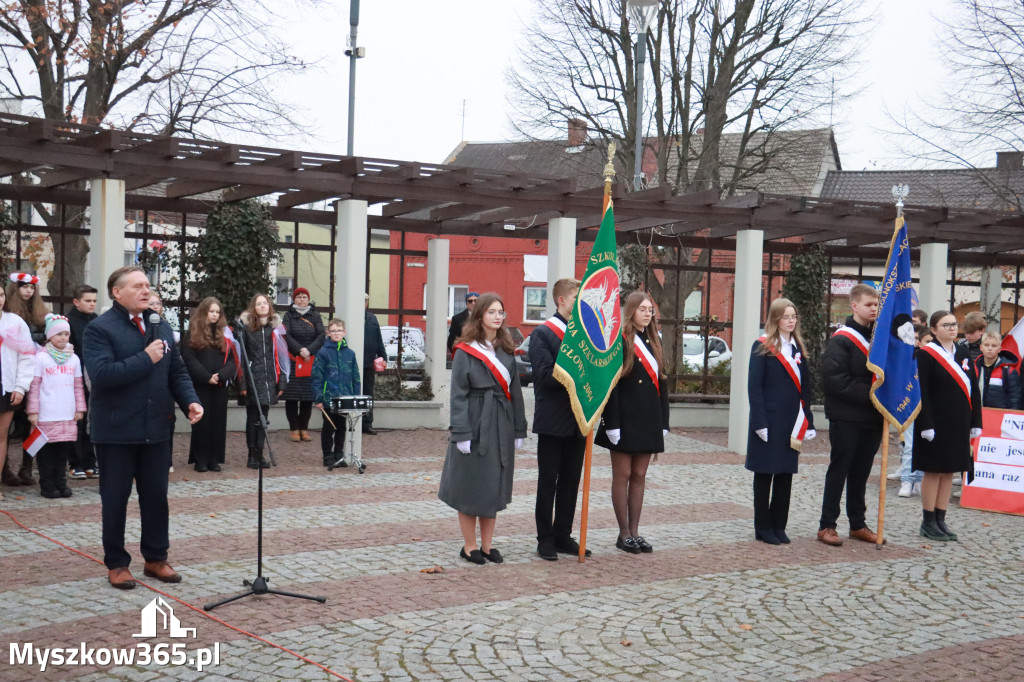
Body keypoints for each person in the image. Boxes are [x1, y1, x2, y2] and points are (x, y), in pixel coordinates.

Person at [83, 266, 202, 589]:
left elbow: (176, 370)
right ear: (117, 293)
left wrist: (189, 400)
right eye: (138, 286)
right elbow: (103, 376)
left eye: (148, 285)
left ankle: (156, 558)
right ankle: (117, 564)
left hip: (156, 428)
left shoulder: (159, 323)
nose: (146, 291)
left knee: (156, 497)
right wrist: (145, 358)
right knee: (115, 499)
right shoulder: (99, 329)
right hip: (116, 430)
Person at [439, 293, 526, 565]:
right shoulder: (465, 350)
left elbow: (515, 392)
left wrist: (518, 429)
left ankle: (487, 546)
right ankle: (469, 546)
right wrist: (462, 433)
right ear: (479, 316)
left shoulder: (506, 350)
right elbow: (458, 395)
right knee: (470, 486)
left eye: (501, 312)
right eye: (492, 312)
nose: (498, 317)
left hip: (500, 420)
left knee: (492, 486)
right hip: (475, 421)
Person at [594, 291, 670, 555]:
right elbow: (612, 384)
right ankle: (623, 532)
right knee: (623, 475)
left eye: (650, 310)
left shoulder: (654, 341)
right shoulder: (620, 341)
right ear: (631, 311)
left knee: (639, 476)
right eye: (643, 309)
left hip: (648, 417)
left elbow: (662, 381)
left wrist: (664, 420)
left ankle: (635, 531)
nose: (648, 314)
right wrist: (611, 422)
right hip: (624, 417)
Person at [817, 283, 884, 547]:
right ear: (854, 306)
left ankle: (857, 524)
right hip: (846, 417)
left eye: (876, 305)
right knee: (840, 470)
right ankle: (827, 525)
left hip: (871, 418)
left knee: (861, 473)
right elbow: (835, 381)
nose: (873, 309)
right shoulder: (842, 340)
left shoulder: (876, 339)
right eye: (869, 305)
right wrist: (873, 392)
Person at [529, 278, 591, 561]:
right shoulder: (543, 333)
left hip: (579, 418)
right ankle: (545, 538)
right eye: (577, 297)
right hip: (553, 418)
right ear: (561, 300)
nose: (581, 302)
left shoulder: (586, 334)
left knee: (571, 480)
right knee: (548, 481)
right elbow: (543, 375)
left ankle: (563, 533)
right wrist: (577, 367)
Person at [746, 298, 816, 545]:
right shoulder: (763, 346)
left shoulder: (798, 348)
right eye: (786, 317)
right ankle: (762, 528)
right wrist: (759, 423)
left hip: (792, 421)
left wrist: (809, 421)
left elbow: (805, 389)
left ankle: (779, 525)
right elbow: (755, 388)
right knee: (765, 474)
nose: (790, 321)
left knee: (786, 474)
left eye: (793, 316)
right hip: (768, 421)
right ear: (775, 319)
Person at [914, 310, 982, 541]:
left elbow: (974, 389)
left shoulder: (963, 352)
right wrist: (925, 424)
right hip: (934, 423)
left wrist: (976, 421)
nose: (952, 328)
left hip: (958, 422)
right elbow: (920, 391)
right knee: (933, 471)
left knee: (949, 470)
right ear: (933, 330)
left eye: (954, 324)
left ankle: (941, 519)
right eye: (946, 325)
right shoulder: (925, 355)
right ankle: (928, 520)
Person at [26, 314, 86, 498]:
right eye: (59, 334)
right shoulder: (40, 358)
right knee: (46, 453)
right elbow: (34, 386)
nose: (63, 338)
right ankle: (47, 484)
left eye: (66, 334)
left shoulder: (73, 358)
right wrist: (33, 411)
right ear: (49, 336)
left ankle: (61, 482)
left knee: (63, 452)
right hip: (46, 414)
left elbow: (78, 385)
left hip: (67, 413)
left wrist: (80, 408)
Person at [180, 297, 237, 472]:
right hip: (201, 384)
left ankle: (215, 458)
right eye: (211, 311)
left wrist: (221, 376)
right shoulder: (193, 333)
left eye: (217, 312)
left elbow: (233, 360)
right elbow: (189, 359)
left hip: (220, 385)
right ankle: (200, 459)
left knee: (218, 422)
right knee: (202, 422)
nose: (214, 315)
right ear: (204, 312)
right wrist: (206, 377)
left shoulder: (226, 334)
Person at [6, 272, 49, 486]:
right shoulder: (9, 315)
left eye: (31, 287)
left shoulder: (41, 313)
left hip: (35, 377)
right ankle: (5, 469)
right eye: (24, 286)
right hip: (12, 376)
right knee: (7, 427)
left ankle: (26, 467)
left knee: (28, 424)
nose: (28, 291)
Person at [237, 293, 288, 470]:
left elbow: (281, 356)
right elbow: (242, 356)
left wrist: (282, 381)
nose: (262, 306)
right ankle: (252, 454)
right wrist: (243, 382)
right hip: (253, 378)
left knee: (263, 418)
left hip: (269, 379)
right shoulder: (247, 328)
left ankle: (260, 453)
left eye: (265, 303)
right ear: (253, 307)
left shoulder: (275, 329)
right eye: (258, 303)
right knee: (253, 417)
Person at [0, 285, 35, 501]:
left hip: (7, 387)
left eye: (1, 295)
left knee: (1, 435)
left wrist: (21, 386)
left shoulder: (15, 322)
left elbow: (27, 356)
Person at [312, 319, 361, 467]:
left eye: (339, 331)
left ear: (344, 333)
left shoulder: (350, 354)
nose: (336, 333)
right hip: (329, 398)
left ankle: (339, 454)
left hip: (345, 397)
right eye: (333, 331)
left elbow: (355, 377)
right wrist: (318, 398)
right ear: (329, 333)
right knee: (329, 427)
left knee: (341, 426)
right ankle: (327, 455)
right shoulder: (323, 353)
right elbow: (317, 376)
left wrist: (356, 397)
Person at [281, 287, 325, 442]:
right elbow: (285, 334)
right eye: (298, 296)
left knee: (307, 397)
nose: (301, 299)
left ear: (308, 299)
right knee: (292, 398)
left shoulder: (315, 315)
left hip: (310, 360)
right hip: (294, 360)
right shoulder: (288, 316)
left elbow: (321, 335)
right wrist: (300, 350)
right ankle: (294, 429)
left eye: (304, 297)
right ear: (294, 299)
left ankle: (304, 429)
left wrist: (309, 350)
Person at [894, 325, 932, 498]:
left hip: (930, 408)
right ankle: (907, 480)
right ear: (919, 342)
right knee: (909, 445)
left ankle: (919, 479)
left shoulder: (937, 360)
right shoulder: (911, 359)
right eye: (927, 342)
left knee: (925, 445)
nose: (930, 345)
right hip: (911, 406)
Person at [68, 284, 99, 480]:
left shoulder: (96, 321)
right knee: (76, 421)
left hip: (93, 377)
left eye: (94, 301)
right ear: (76, 302)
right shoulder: (69, 322)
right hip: (74, 377)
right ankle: (75, 463)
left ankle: (89, 461)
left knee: (90, 421)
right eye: (88, 301)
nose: (92, 304)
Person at [975, 331, 1022, 410]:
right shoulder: (974, 368)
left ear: (999, 349)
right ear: (981, 347)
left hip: (999, 417)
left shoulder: (1009, 371)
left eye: (994, 346)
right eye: (986, 345)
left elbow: (1015, 399)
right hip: (978, 416)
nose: (990, 348)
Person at [362, 294, 387, 435]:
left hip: (369, 363)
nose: (363, 303)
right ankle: (354, 422)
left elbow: (378, 338)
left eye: (365, 301)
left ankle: (367, 423)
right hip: (353, 363)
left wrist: (383, 356)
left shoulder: (372, 318)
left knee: (368, 394)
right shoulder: (350, 317)